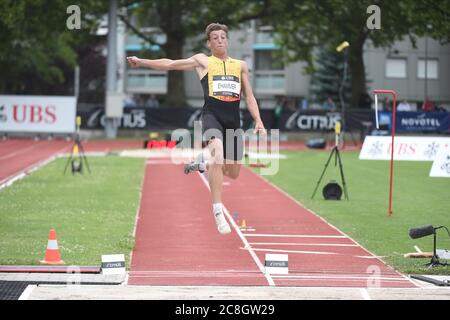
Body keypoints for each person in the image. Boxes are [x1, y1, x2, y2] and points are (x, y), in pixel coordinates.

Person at [127, 23, 266, 235]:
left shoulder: (240, 65)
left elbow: (249, 96)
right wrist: (142, 61)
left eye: (222, 37)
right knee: (218, 153)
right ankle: (218, 212)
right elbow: (170, 64)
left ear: (227, 40)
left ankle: (202, 162)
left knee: (233, 172)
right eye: (215, 38)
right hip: (212, 116)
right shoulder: (203, 60)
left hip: (233, 120)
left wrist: (258, 121)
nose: (220, 40)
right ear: (209, 43)